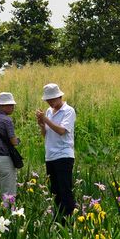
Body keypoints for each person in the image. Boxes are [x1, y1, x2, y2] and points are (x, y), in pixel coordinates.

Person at [35, 83, 77, 221]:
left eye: (52, 99)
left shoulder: (68, 111)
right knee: (55, 191)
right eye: (48, 100)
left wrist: (45, 119)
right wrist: (42, 124)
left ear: (60, 96)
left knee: (65, 190)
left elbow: (61, 131)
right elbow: (45, 134)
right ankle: (58, 220)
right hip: (50, 156)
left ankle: (69, 221)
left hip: (63, 155)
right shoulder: (48, 111)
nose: (50, 102)